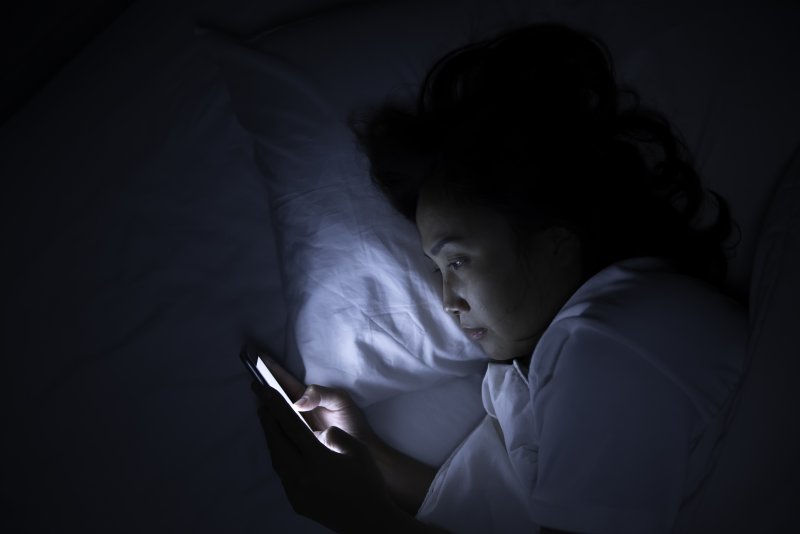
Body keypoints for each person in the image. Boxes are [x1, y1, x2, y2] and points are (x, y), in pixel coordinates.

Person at [249, 23, 747, 533]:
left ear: (555, 241)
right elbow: (498, 513)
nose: (448, 301)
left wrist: (360, 518)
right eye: (439, 270)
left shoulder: (613, 341)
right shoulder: (545, 361)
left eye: (459, 261)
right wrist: (368, 455)